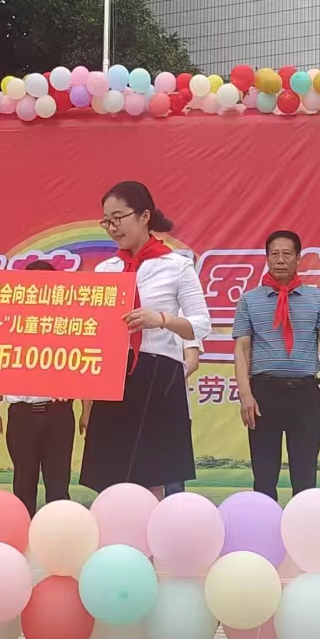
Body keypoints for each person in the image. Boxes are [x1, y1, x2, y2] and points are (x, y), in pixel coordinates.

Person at [80, 181, 210, 496]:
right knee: (109, 472)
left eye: (118, 218)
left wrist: (161, 320)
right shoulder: (106, 270)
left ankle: (151, 528)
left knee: (152, 474)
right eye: (106, 221)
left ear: (144, 216)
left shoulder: (176, 266)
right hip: (113, 377)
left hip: (158, 374)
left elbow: (201, 324)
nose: (112, 227)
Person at [233, 230, 320, 499]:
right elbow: (242, 348)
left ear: (298, 258)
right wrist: (245, 394)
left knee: (305, 476)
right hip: (264, 394)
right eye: (274, 254)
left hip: (305, 394)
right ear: (266, 258)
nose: (280, 260)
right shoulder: (249, 300)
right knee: (264, 475)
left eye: (287, 254)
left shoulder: (317, 299)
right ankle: (263, 523)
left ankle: (303, 524)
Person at [0, 261, 75, 515]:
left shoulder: (69, 323)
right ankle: (23, 530)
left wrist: (86, 411)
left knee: (58, 482)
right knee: (24, 482)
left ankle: (60, 531)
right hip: (22, 413)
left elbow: (83, 368)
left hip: (59, 413)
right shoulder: (9, 323)